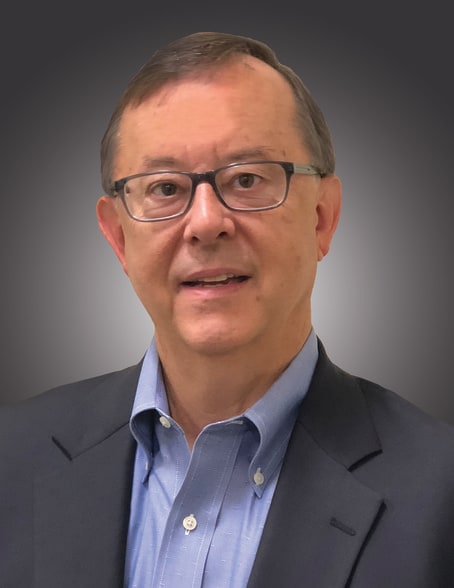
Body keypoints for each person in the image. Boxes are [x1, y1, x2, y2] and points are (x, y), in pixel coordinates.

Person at [1, 31, 454, 588]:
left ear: (322, 218)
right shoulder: (10, 461)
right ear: (118, 237)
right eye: (165, 188)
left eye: (246, 179)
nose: (205, 222)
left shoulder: (442, 496)